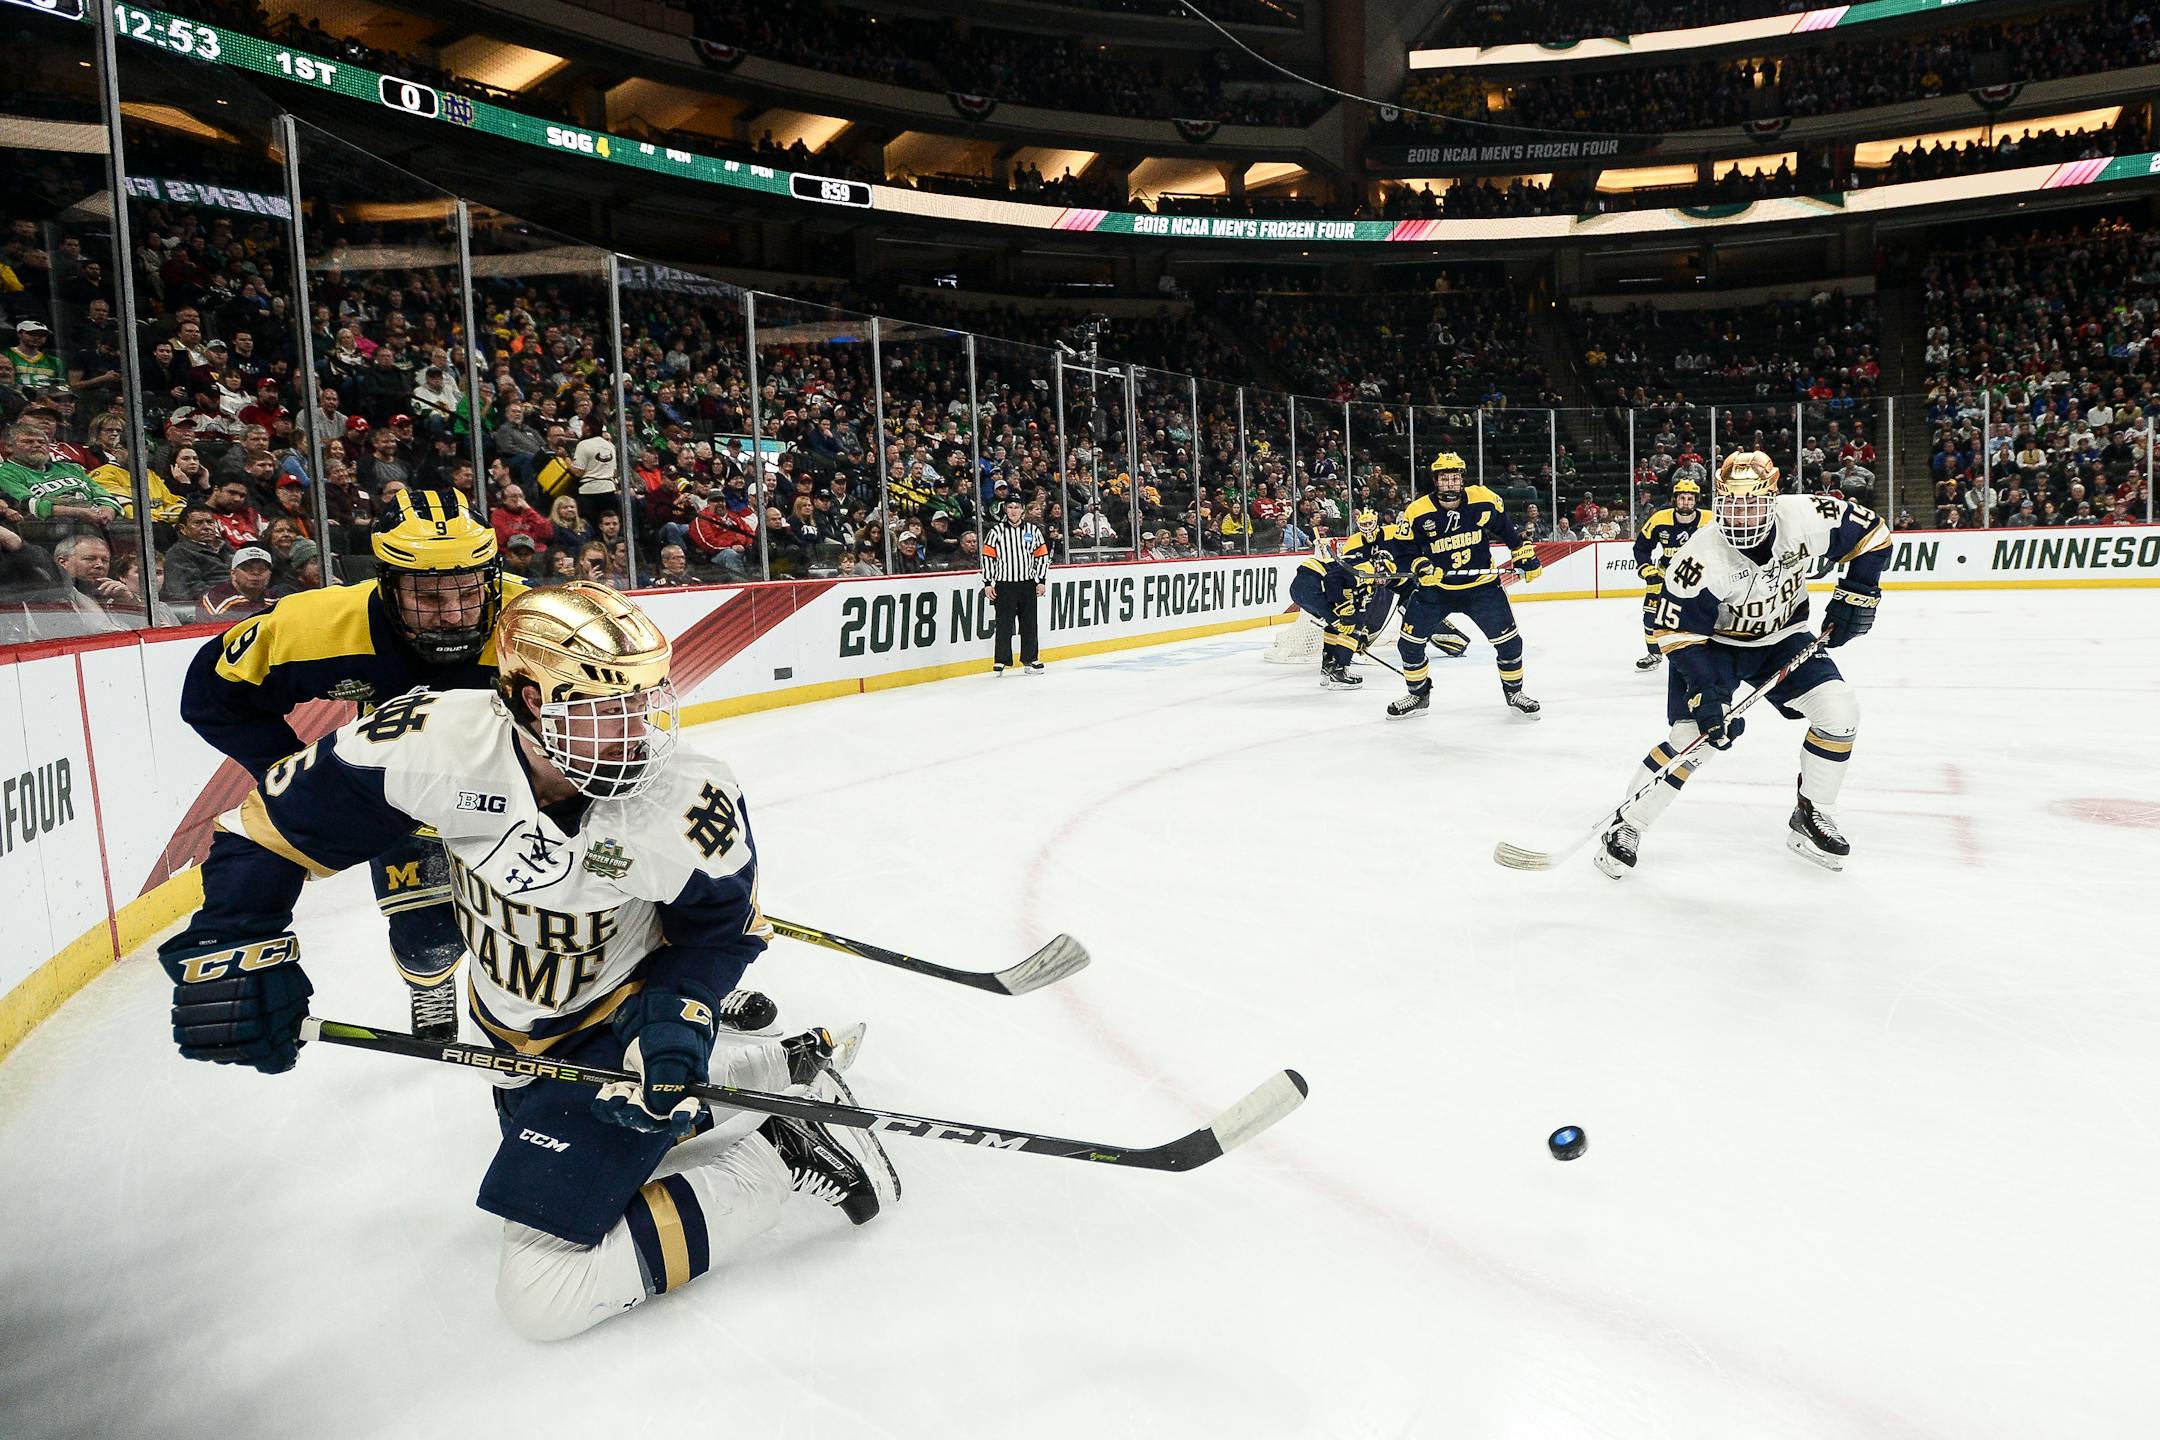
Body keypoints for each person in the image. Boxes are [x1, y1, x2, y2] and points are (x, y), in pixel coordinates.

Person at [155, 583, 898, 1339]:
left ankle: (792, 1147)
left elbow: (723, 933)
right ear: (528, 698)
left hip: (611, 1025)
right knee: (555, 1123)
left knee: (546, 1294)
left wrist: (681, 1009)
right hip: (510, 1035)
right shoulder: (432, 741)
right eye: (603, 708)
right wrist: (237, 938)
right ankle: (781, 1067)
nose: (635, 732)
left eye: (642, 703)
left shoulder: (686, 799)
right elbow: (266, 833)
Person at [179, 490, 525, 1041]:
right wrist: (293, 772)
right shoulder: (316, 624)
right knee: (426, 937)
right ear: (386, 584)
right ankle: (431, 983)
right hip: (397, 794)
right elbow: (210, 695)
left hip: (515, 790)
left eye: (467, 591)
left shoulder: (532, 623)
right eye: (429, 598)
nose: (455, 615)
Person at [1596, 450, 1889, 878]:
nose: (1741, 514)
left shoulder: (1807, 515)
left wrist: (1858, 593)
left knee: (1840, 712)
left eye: (1751, 502)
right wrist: (1707, 691)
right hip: (1714, 648)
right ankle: (1628, 823)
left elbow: (1873, 535)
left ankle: (1812, 814)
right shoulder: (1697, 560)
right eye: (1731, 502)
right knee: (1693, 738)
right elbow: (1675, 635)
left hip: (1784, 636)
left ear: (1772, 496)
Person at [1381, 452, 1542, 720]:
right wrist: (1421, 566)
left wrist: (1524, 555)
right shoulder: (1418, 511)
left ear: (1462, 479)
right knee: (1409, 645)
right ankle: (1418, 695)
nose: (1450, 484)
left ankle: (1514, 693)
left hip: (1481, 588)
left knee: (1510, 643)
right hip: (1436, 590)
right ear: (1435, 481)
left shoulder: (1482, 498)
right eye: (1444, 479)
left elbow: (1509, 532)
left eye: (1455, 477)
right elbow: (1402, 551)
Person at [1629, 478, 1708, 671]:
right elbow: (1641, 548)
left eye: (1690, 498)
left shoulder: (1709, 520)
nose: (1686, 502)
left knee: (1701, 619)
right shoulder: (1659, 518)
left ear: (1696, 500)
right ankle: (1654, 653)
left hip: (1698, 578)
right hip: (1664, 576)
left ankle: (1705, 656)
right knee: (1650, 617)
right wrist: (1648, 570)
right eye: (1682, 498)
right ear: (1674, 499)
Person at [980, 497, 1048, 673]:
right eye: (1010, 507)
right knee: (1004, 623)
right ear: (1005, 509)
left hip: (1027, 584)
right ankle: (1001, 659)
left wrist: (1041, 580)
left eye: (1016, 507)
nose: (1013, 510)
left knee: (1029, 623)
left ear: (1022, 510)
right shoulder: (996, 532)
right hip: (1005, 584)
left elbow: (1041, 556)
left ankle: (1030, 659)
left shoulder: (1033, 531)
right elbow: (988, 557)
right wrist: (988, 582)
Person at [195, 545, 281, 623]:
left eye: (261, 569)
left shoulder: (274, 597)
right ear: (233, 573)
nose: (255, 573)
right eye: (247, 568)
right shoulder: (217, 598)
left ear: (269, 574)